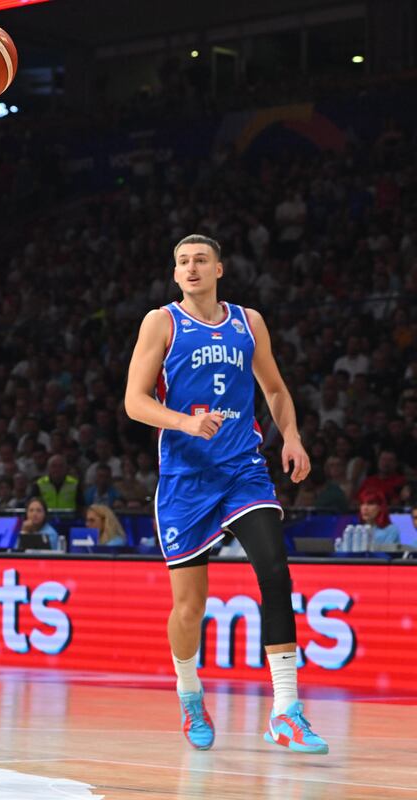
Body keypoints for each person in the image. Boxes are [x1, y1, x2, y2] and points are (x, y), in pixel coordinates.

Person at [124, 233, 328, 754]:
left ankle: (286, 711)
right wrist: (183, 425)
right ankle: (190, 694)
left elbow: (276, 390)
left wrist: (294, 439)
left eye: (200, 261)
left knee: (275, 573)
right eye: (182, 262)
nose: (191, 268)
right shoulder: (161, 322)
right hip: (186, 481)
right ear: (175, 274)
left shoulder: (248, 322)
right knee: (190, 608)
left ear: (220, 269)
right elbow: (133, 401)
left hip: (243, 471)